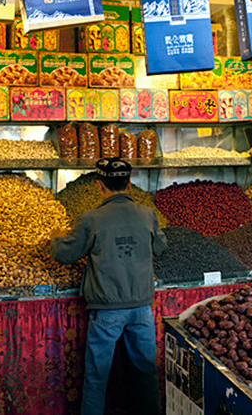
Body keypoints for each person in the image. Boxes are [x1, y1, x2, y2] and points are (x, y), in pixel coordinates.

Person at [50, 158, 168, 415]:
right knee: (146, 373)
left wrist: (56, 237)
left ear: (100, 186)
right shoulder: (147, 213)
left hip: (106, 310)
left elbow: (65, 254)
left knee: (97, 376)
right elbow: (161, 247)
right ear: (129, 184)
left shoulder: (91, 219)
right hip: (142, 308)